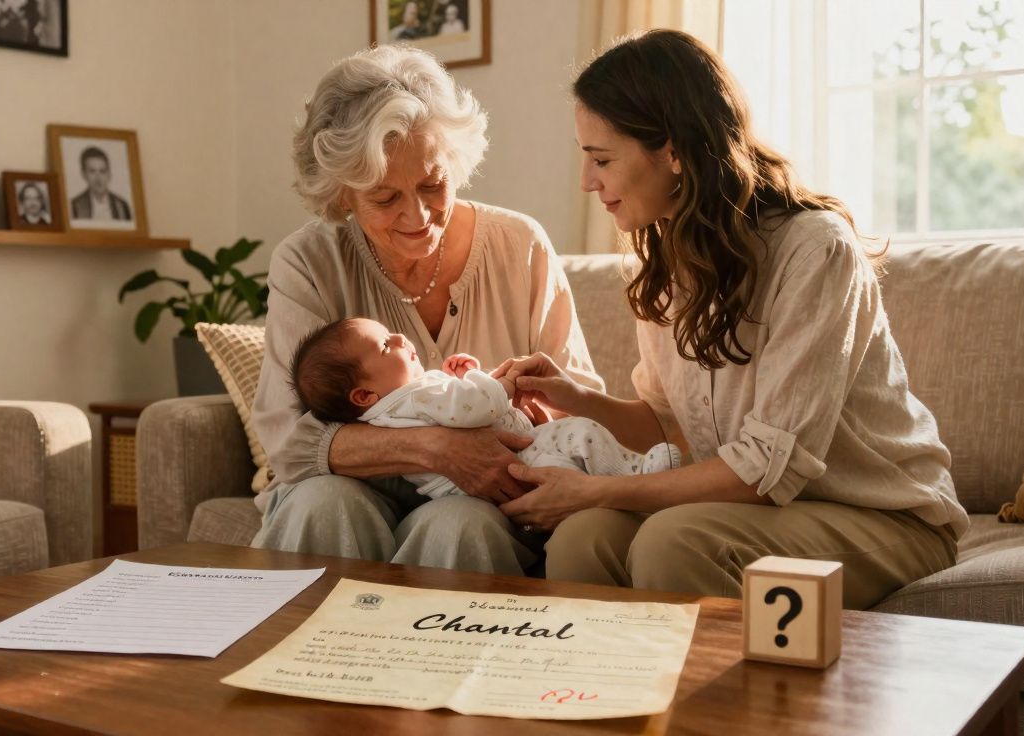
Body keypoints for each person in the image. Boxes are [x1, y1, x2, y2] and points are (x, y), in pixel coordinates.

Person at [493, 30, 968, 609]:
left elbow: (764, 471)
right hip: (758, 510)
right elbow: (673, 425)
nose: (587, 182)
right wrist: (577, 399)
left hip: (882, 517)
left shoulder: (814, 251)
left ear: (672, 151)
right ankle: (603, 700)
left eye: (602, 159)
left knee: (673, 542)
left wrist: (594, 488)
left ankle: (739, 704)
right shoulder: (666, 258)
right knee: (583, 539)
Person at [250, 45, 601, 575]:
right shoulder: (309, 262)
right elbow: (289, 442)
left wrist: (530, 411)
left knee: (463, 523)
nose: (416, 216)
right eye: (385, 198)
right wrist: (436, 448)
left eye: (433, 185)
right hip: (343, 489)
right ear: (343, 194)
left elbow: (580, 403)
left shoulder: (520, 245)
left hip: (486, 503)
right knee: (325, 504)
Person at [290, 317, 679, 498]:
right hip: (513, 460)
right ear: (363, 396)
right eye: (384, 345)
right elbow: (477, 409)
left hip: (501, 467)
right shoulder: (412, 397)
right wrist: (501, 384)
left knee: (565, 465)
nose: (397, 336)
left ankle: (617, 491)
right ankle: (636, 475)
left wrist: (463, 377)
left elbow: (456, 406)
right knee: (580, 434)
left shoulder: (395, 408)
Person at [69, 147, 132, 221]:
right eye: (92, 171)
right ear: (84, 174)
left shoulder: (121, 206)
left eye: (102, 171)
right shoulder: (75, 205)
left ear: (109, 174)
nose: (98, 178)